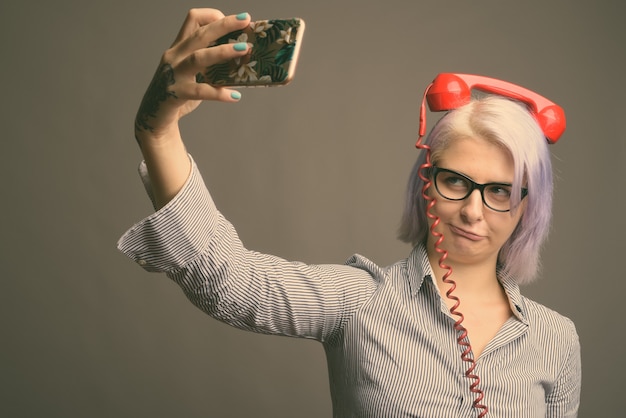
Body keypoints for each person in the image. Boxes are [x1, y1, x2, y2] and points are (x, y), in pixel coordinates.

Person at [118, 8, 581, 417]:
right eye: (456, 181)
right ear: (427, 182)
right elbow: (232, 283)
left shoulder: (557, 340)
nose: (473, 211)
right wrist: (157, 134)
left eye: (499, 191)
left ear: (527, 205)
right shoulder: (361, 301)